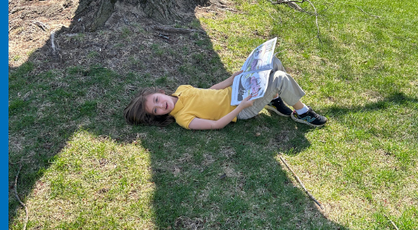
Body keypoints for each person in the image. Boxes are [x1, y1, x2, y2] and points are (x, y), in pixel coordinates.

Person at [124, 55, 328, 130]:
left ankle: (273, 100)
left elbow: (210, 91)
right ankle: (302, 113)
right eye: (156, 110)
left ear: (160, 92)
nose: (161, 106)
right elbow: (215, 124)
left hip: (238, 90)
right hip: (241, 109)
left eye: (157, 100)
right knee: (279, 78)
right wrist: (240, 107)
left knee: (272, 61)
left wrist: (232, 79)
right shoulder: (183, 119)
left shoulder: (182, 90)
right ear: (159, 116)